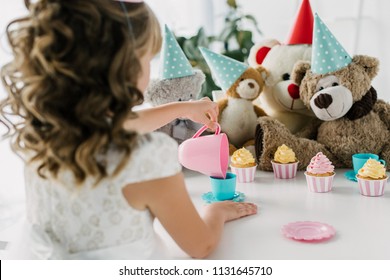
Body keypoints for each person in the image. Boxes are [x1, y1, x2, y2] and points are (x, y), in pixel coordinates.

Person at [0, 0, 257, 259]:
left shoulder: (42, 131)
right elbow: (200, 245)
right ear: (126, 66)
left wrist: (182, 108)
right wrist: (216, 213)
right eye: (148, 58)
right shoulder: (147, 159)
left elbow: (122, 123)